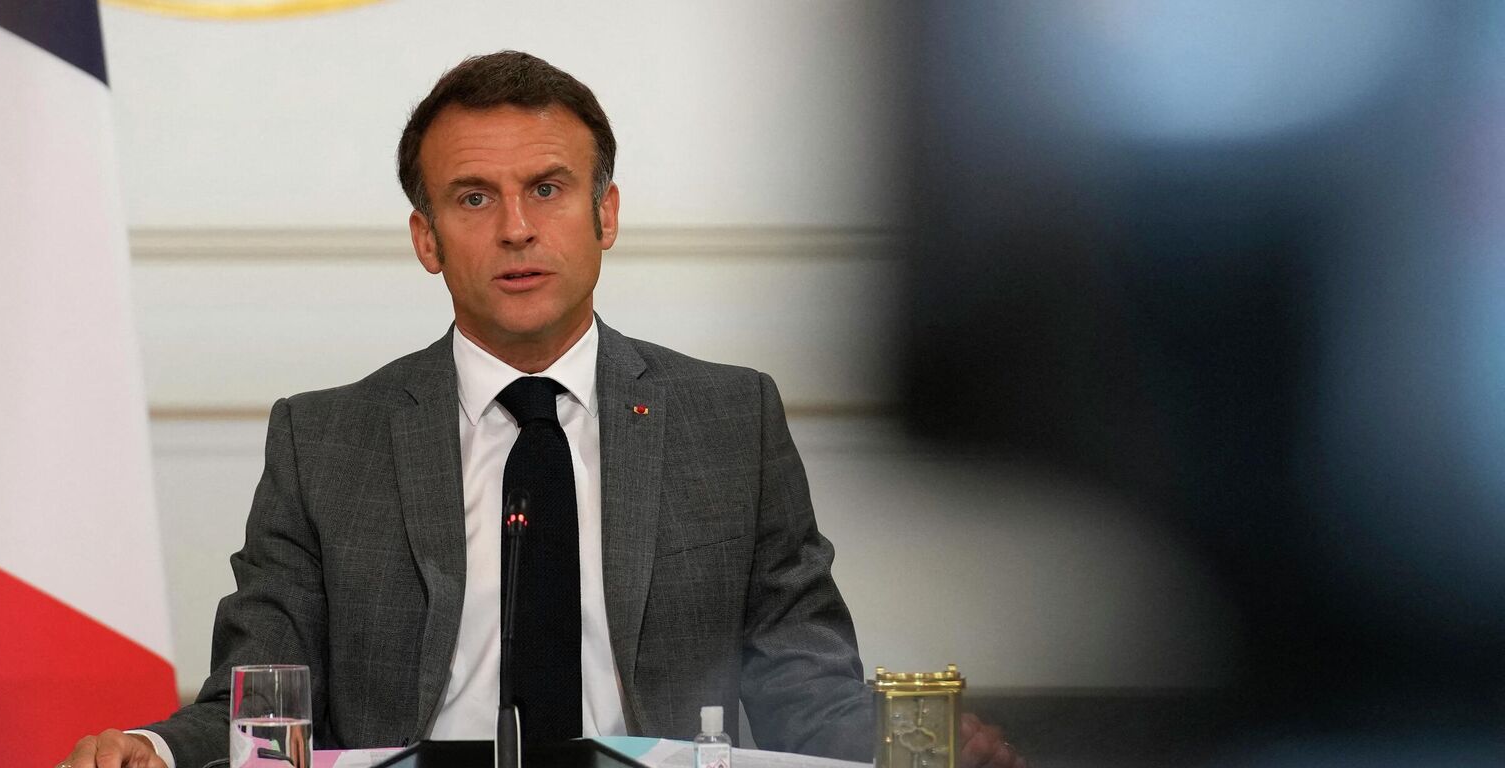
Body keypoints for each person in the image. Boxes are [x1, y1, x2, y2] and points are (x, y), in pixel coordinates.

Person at [62, 51, 1024, 768]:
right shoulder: (325, 440)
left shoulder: (729, 420)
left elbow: (802, 687)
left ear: (605, 215)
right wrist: (153, 749)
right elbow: (259, 702)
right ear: (426, 239)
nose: (517, 227)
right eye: (473, 198)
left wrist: (922, 748)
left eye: (548, 189)